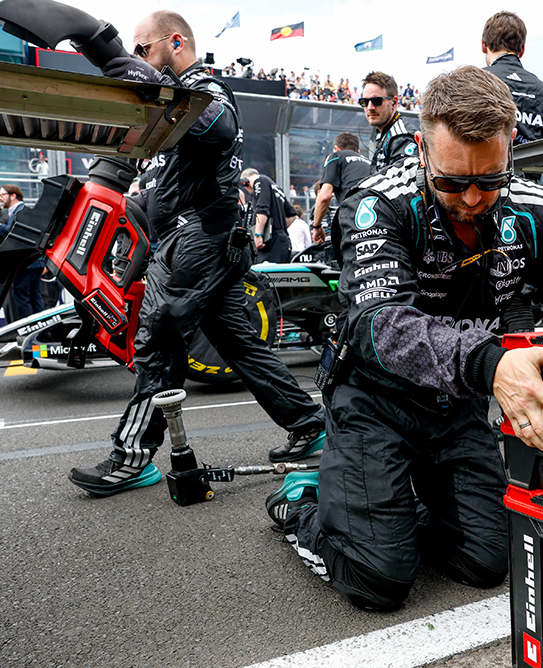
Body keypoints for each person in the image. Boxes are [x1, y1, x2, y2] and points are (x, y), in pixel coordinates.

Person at [268, 65, 543, 611]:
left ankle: (385, 509)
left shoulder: (538, 212)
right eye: (454, 181)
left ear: (511, 153)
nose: (475, 197)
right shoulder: (376, 204)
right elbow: (377, 324)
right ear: (421, 148)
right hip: (374, 401)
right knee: (377, 579)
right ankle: (307, 507)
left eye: (491, 179)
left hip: (455, 409)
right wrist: (490, 364)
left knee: (488, 562)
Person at [68, 10, 325, 497]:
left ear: (175, 41)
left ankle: (133, 456)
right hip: (204, 241)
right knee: (239, 344)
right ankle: (310, 423)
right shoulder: (173, 104)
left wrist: (141, 75)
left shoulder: (201, 89)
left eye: (142, 50)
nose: (137, 60)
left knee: (158, 340)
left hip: (197, 242)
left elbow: (220, 129)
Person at [482, 11, 543, 146]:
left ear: (484, 45)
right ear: (522, 50)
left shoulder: (472, 83)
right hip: (533, 166)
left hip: (489, 166)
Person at [0, 184, 45, 319]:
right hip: (33, 262)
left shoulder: (21, 210)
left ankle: (28, 331)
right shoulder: (22, 210)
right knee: (35, 297)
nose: (0, 199)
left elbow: (15, 233)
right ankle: (39, 333)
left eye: (2, 195)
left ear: (13, 196)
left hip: (26, 263)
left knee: (22, 297)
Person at [313, 132, 372, 244]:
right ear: (358, 152)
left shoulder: (336, 156)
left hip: (355, 215)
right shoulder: (370, 162)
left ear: (336, 148)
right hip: (378, 215)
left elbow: (325, 196)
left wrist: (316, 226)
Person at [360, 71, 418, 173]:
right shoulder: (382, 133)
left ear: (394, 102)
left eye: (377, 101)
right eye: (364, 102)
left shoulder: (402, 137)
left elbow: (402, 185)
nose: (370, 107)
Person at [240, 168, 293, 263]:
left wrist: (258, 234)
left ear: (245, 182)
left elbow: (262, 209)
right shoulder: (276, 187)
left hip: (270, 242)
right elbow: (292, 215)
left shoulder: (259, 181)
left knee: (266, 275)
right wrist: (279, 225)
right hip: (282, 240)